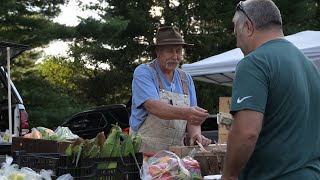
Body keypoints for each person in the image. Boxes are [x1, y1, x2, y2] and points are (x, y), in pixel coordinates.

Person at [221, 0, 320, 179]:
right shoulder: (311, 67)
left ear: (248, 27)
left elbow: (246, 132)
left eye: (237, 33)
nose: (237, 43)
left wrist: (228, 175)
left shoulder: (254, 63)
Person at [129, 26, 212, 153]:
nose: (175, 56)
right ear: (158, 51)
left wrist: (196, 134)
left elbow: (193, 118)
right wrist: (187, 113)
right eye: (169, 51)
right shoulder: (144, 72)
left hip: (176, 153)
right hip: (145, 151)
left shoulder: (186, 78)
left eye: (178, 51)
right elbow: (153, 106)